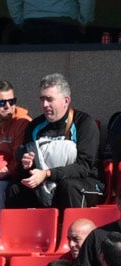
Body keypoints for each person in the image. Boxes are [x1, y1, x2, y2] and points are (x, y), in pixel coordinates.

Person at [6, 73, 102, 210]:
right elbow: (25, 170)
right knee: (14, 188)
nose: (45, 105)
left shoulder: (84, 123)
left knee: (68, 186)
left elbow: (84, 166)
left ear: (66, 100)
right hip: (45, 181)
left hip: (86, 182)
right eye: (42, 99)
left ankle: (74, 230)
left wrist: (48, 174)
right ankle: (23, 231)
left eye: (50, 99)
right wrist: (26, 165)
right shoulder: (35, 126)